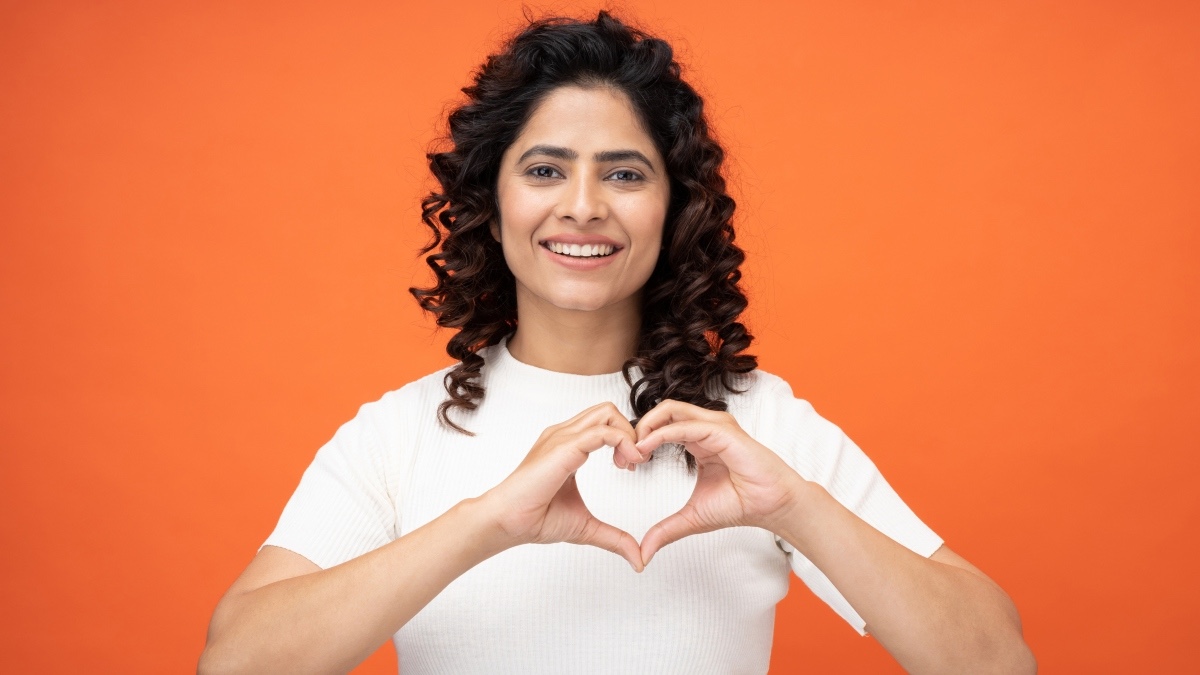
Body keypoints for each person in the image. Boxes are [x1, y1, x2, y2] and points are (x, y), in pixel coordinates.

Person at [199, 12, 1034, 675]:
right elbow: (234, 661)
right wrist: (487, 521)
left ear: (676, 209)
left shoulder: (758, 428)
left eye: (626, 174)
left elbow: (999, 661)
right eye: (545, 169)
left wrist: (795, 508)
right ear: (489, 202)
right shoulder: (399, 434)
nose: (584, 206)